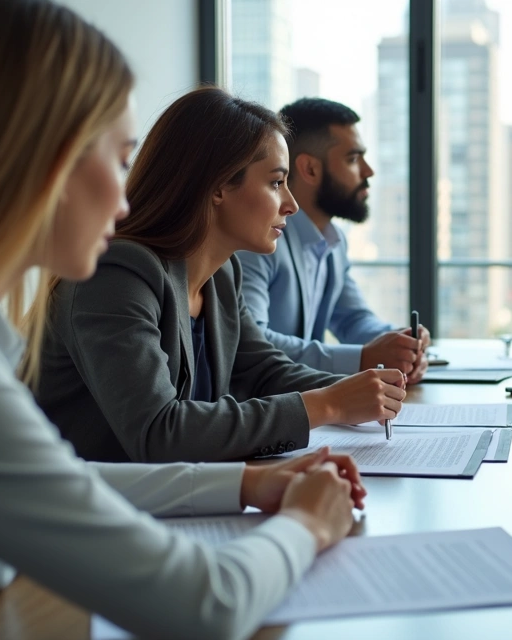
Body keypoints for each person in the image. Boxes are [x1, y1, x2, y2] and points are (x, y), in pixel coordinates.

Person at [0, 1, 363, 638]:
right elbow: (201, 607)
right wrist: (308, 523)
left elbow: (64, 481)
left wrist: (248, 483)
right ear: (41, 162)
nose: (127, 195)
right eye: (120, 157)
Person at [32, 88, 407, 463]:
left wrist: (362, 392)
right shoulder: (116, 277)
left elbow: (265, 371)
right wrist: (327, 405)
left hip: (178, 500)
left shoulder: (221, 275)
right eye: (277, 183)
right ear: (218, 186)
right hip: (91, 510)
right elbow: (159, 432)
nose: (291, 204)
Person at [238, 98, 430, 379]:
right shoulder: (258, 241)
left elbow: (353, 319)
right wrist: (363, 358)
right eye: (353, 159)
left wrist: (398, 342)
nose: (368, 171)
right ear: (310, 169)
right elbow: (252, 344)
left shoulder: (332, 240)